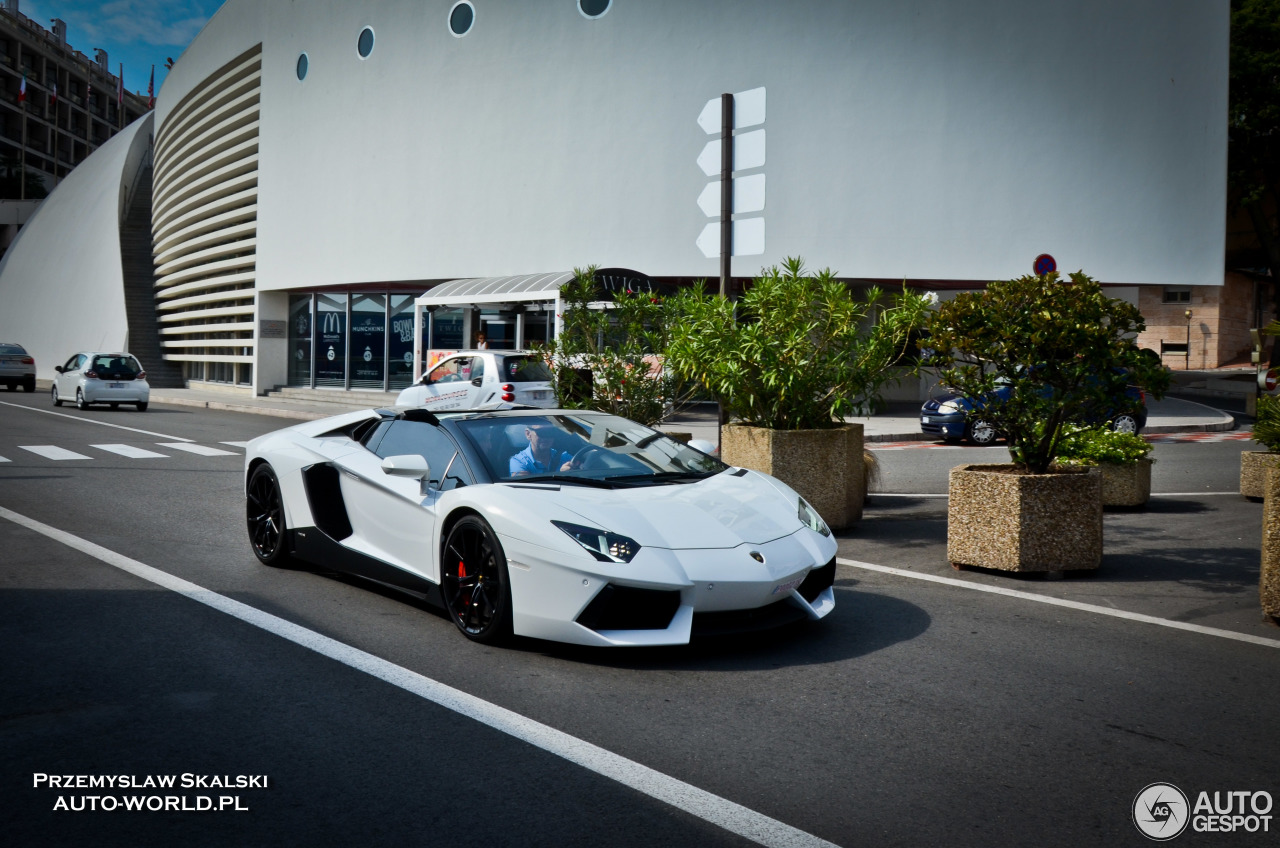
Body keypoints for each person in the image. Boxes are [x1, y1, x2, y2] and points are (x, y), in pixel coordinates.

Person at [509, 421, 573, 476]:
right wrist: (560, 475)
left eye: (550, 432)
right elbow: (523, 488)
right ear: (528, 434)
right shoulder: (519, 462)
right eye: (541, 432)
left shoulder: (564, 457)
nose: (546, 437)